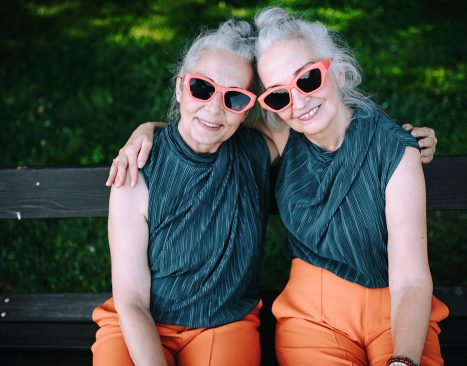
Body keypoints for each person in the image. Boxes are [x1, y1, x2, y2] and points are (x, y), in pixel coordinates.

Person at [107, 7, 445, 366]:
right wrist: (149, 129)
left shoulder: (288, 141)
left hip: (380, 313)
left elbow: (410, 279)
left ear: (339, 70)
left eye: (309, 79)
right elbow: (197, 131)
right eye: (279, 96)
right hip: (307, 315)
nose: (298, 102)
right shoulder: (142, 168)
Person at [92, 19, 279, 366]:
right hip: (138, 320)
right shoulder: (139, 167)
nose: (214, 108)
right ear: (180, 89)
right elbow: (131, 299)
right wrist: (147, 131)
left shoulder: (256, 149)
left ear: (249, 107)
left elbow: (317, 115)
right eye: (202, 88)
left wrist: (395, 138)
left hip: (224, 323)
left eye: (235, 97)